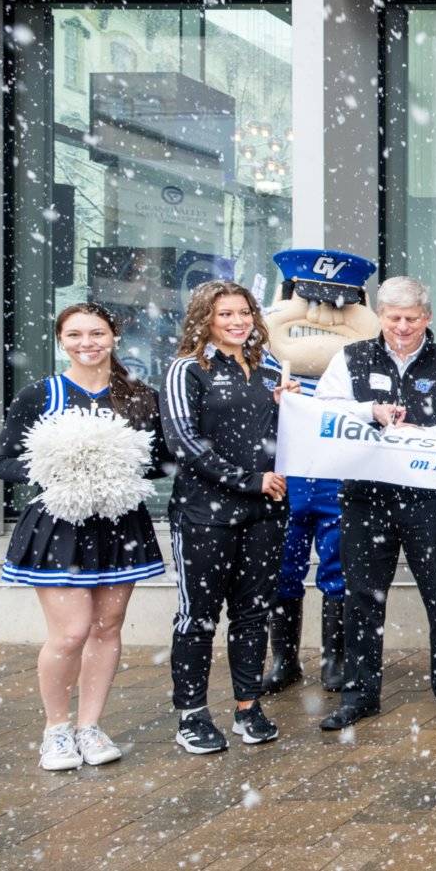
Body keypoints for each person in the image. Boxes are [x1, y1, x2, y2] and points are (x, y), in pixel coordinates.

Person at [0, 303, 169, 770]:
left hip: (119, 524)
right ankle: (55, 729)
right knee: (70, 633)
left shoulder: (140, 396)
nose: (86, 343)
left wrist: (116, 465)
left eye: (96, 333)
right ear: (60, 341)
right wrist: (61, 468)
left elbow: (163, 462)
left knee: (107, 627)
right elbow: (3, 462)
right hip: (59, 526)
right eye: (74, 335)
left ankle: (90, 726)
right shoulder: (41, 394)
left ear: (114, 336)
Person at [314, 277, 436, 731]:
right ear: (380, 317)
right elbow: (324, 411)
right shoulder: (350, 359)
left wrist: (413, 437)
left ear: (427, 318)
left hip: (431, 499)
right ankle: (359, 694)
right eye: (393, 318)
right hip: (366, 495)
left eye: (411, 319)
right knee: (362, 598)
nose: (402, 327)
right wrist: (371, 413)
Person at [161, 280, 294, 755]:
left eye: (244, 313)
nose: (238, 322)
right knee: (197, 617)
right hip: (205, 516)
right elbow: (185, 442)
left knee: (252, 613)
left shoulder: (267, 368)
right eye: (225, 315)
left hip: (265, 513)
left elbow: (287, 437)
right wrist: (246, 479)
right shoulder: (185, 370)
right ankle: (192, 714)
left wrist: (290, 408)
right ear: (204, 320)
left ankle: (247, 705)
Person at [258, 248, 379, 697]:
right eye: (310, 301)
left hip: (337, 477)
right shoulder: (259, 365)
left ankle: (336, 657)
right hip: (283, 479)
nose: (325, 316)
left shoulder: (366, 366)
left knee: (338, 568)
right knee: (280, 568)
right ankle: (284, 658)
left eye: (339, 304)